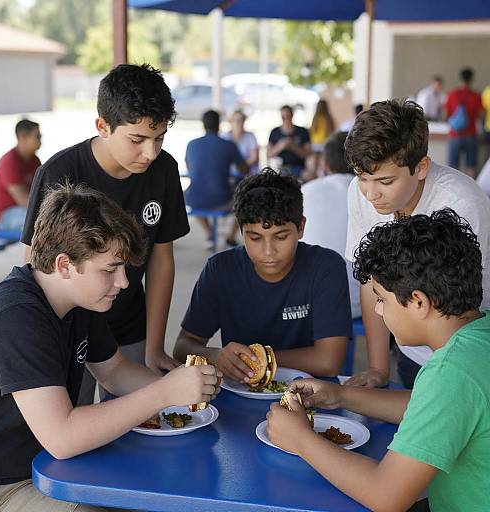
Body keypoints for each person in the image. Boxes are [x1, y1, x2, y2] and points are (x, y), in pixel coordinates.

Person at [0, 183, 221, 512]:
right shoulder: (16, 317)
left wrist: (190, 390)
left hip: (49, 463)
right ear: (65, 265)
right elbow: (63, 437)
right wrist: (164, 393)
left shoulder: (77, 301)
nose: (123, 282)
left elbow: (115, 372)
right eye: (110, 269)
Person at [267, 209, 490, 512]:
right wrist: (341, 395)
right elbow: (432, 408)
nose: (379, 312)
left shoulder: (451, 371)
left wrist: (301, 439)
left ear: (419, 302)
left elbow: (387, 496)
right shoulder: (479, 336)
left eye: (382, 299)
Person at [21, 64, 190, 404]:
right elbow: (35, 269)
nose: (150, 153)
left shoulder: (164, 169)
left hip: (130, 323)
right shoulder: (60, 172)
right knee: (78, 418)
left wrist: (155, 346)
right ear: (103, 126)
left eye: (159, 139)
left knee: (140, 422)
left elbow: (161, 260)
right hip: (72, 328)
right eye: (137, 139)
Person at [343, 98, 490, 389]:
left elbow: (463, 304)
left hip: (462, 355)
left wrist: (447, 377)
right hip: (409, 346)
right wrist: (377, 367)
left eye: (386, 182)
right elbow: (370, 281)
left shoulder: (460, 203)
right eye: (362, 178)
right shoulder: (360, 193)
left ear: (421, 167)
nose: (371, 195)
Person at [174, 169, 352, 381]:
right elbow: (183, 346)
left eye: (281, 236)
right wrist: (216, 356)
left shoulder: (326, 267)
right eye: (255, 238)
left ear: (301, 228)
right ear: (241, 232)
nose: (268, 252)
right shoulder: (220, 269)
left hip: (310, 394)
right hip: (240, 391)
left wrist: (256, 359)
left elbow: (328, 362)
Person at [301, 131, 360, 318]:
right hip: (364, 305)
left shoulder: (305, 191)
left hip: (309, 302)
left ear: (324, 164)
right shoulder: (374, 195)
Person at [185, 109, 248, 249]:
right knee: (246, 200)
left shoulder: (191, 145)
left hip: (194, 199)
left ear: (203, 124)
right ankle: (230, 238)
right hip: (222, 198)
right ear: (219, 124)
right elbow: (245, 170)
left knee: (190, 195)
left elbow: (190, 168)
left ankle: (209, 234)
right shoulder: (228, 145)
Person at [0, 119, 41, 232]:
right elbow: (23, 200)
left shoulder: (34, 160)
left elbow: (42, 189)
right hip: (6, 216)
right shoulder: (9, 161)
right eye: (37, 136)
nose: (40, 141)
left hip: (25, 211)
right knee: (38, 222)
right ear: (23, 137)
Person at [444, 67, 484, 177]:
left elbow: (446, 115)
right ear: (472, 79)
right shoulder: (476, 95)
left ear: (460, 78)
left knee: (452, 167)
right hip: (471, 134)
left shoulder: (452, 94)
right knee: (471, 166)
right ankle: (470, 192)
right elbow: (481, 115)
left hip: (455, 135)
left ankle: (452, 192)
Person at [267, 105, 311, 178]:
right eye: (283, 117)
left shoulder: (302, 131)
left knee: (308, 175)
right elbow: (268, 154)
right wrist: (280, 146)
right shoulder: (274, 132)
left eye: (288, 116)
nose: (286, 119)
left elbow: (307, 154)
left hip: (299, 167)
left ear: (292, 115)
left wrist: (294, 147)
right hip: (279, 167)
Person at [223, 109, 259, 178]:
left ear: (244, 121)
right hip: (230, 175)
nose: (238, 123)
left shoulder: (250, 136)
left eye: (240, 120)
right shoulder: (225, 137)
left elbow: (254, 157)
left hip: (248, 174)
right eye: (235, 120)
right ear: (231, 122)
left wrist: (240, 168)